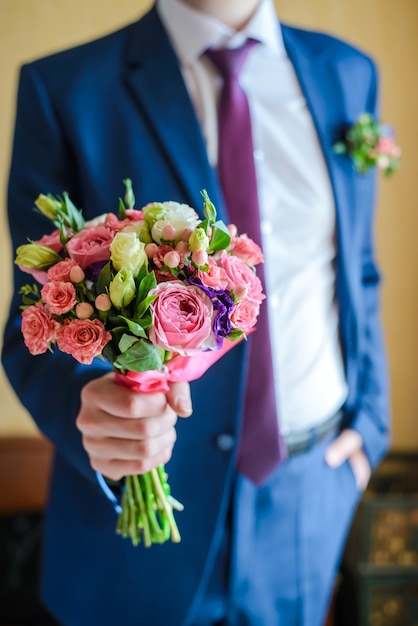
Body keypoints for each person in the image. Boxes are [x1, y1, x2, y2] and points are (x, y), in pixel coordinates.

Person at [2, 0, 390, 625]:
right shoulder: (66, 88)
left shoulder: (346, 73)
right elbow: (33, 323)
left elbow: (357, 271)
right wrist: (93, 417)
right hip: (133, 514)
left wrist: (372, 425)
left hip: (310, 490)